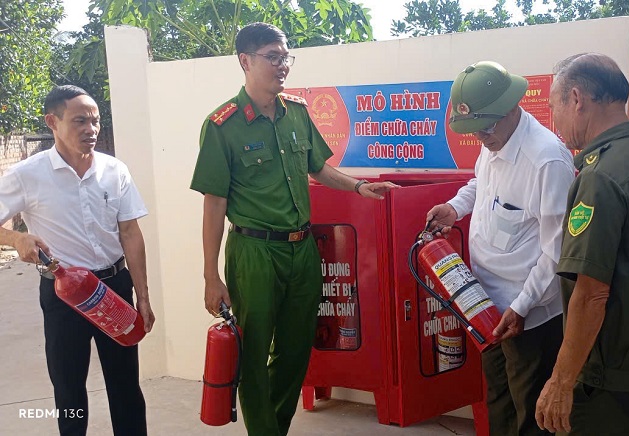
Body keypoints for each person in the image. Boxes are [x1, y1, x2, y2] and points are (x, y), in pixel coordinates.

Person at [189, 22, 397, 436]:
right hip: (254, 252)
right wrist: (211, 276)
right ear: (245, 61)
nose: (282, 65)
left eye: (286, 57)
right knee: (251, 355)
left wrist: (358, 186)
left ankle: (274, 428)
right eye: (273, 57)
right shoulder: (221, 126)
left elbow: (318, 167)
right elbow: (214, 205)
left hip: (302, 250)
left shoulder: (297, 113)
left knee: (296, 351)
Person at [534, 53, 629, 435]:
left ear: (577, 98)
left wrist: (561, 382)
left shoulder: (600, 177)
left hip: (609, 379)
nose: (554, 122)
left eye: (554, 107)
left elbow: (590, 294)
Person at [426, 61, 575, 435]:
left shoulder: (546, 159)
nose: (481, 137)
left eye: (486, 126)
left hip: (529, 314)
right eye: (473, 130)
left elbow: (557, 252)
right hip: (486, 305)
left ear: (512, 108)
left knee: (529, 410)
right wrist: (454, 208)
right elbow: (480, 184)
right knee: (498, 400)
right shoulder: (494, 142)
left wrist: (522, 307)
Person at [0, 85, 154, 435]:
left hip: (113, 288)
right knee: (69, 389)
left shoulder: (115, 170)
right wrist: (16, 237)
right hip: (63, 295)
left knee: (126, 386)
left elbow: (130, 233)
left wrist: (142, 297)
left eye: (96, 121)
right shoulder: (28, 174)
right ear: (51, 122)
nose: (91, 129)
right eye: (80, 120)